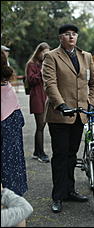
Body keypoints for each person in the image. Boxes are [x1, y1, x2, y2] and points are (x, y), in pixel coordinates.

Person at [42, 24, 94, 213]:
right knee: (60, 155)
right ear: (60, 38)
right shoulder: (51, 56)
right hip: (60, 115)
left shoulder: (86, 56)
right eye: (67, 34)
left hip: (80, 114)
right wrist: (61, 105)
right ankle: (58, 195)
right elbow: (50, 83)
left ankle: (69, 190)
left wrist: (91, 102)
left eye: (74, 34)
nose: (71, 37)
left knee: (72, 155)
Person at [1, 50, 28, 197]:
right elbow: (19, 120)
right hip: (12, 119)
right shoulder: (8, 89)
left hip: (10, 121)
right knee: (13, 159)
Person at [25, 42, 51, 163]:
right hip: (37, 98)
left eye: (47, 53)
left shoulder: (45, 64)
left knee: (42, 126)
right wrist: (41, 72)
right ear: (38, 52)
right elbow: (30, 80)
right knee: (40, 126)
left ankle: (36, 152)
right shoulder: (31, 64)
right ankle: (41, 153)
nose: (45, 56)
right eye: (44, 53)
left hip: (46, 97)